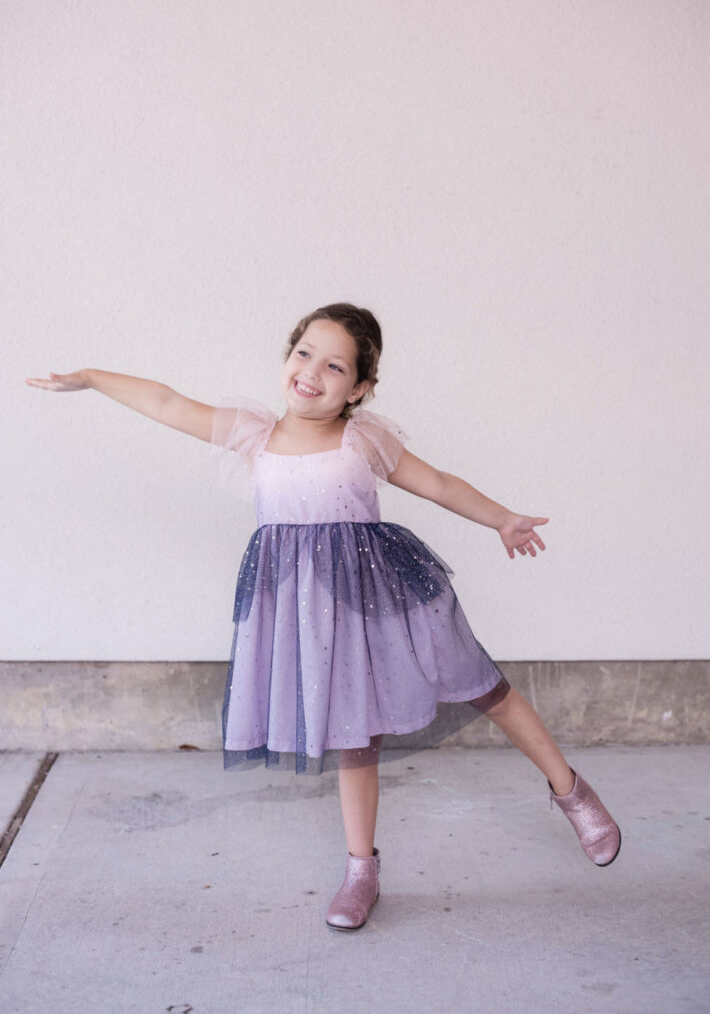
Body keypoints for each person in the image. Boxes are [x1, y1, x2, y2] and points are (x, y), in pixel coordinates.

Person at [25, 302, 621, 932]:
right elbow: (169, 403)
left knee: (485, 688)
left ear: (359, 388)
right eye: (304, 353)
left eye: (335, 366)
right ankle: (362, 871)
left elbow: (440, 483)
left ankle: (572, 792)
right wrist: (91, 377)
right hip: (311, 613)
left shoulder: (363, 438)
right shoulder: (255, 435)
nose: (312, 371)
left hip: (385, 597)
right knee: (353, 739)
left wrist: (502, 518)